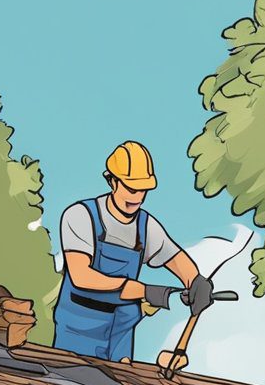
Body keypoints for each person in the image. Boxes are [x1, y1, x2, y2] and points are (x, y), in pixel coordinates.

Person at [53, 141, 213, 362]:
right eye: (131, 188)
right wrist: (143, 291)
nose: (137, 197)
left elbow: (176, 258)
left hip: (121, 335)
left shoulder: (146, 227)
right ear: (112, 180)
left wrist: (195, 282)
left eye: (144, 190)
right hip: (78, 333)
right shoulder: (80, 216)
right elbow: (82, 276)